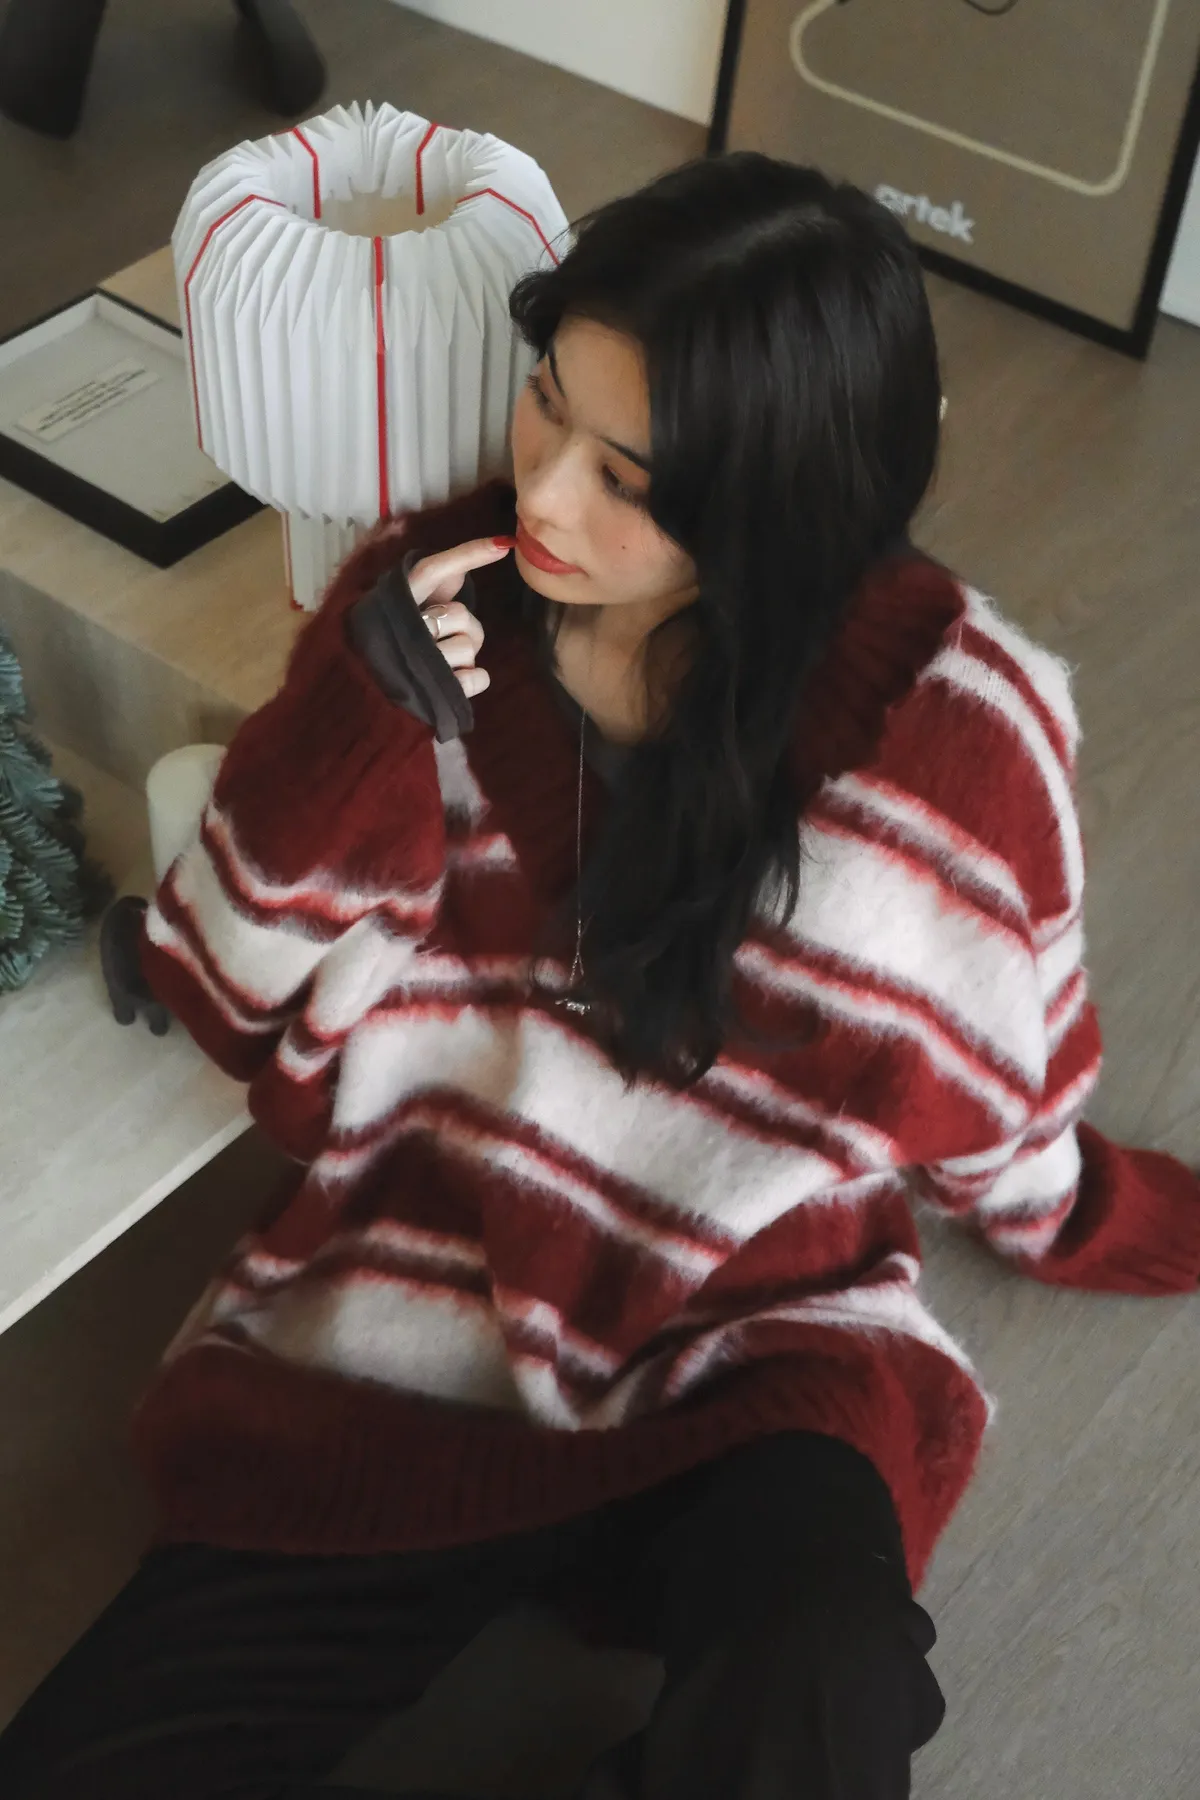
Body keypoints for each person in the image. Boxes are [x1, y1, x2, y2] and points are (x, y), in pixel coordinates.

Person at [2, 151, 1196, 1800]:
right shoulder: (430, 614)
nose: (544, 499)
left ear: (784, 494)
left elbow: (1001, 1086)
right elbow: (225, 990)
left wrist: (1104, 1218)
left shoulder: (953, 730)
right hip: (409, 1325)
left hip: (754, 1340)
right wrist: (355, 721)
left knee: (824, 1706)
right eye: (545, 405)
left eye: (628, 476)